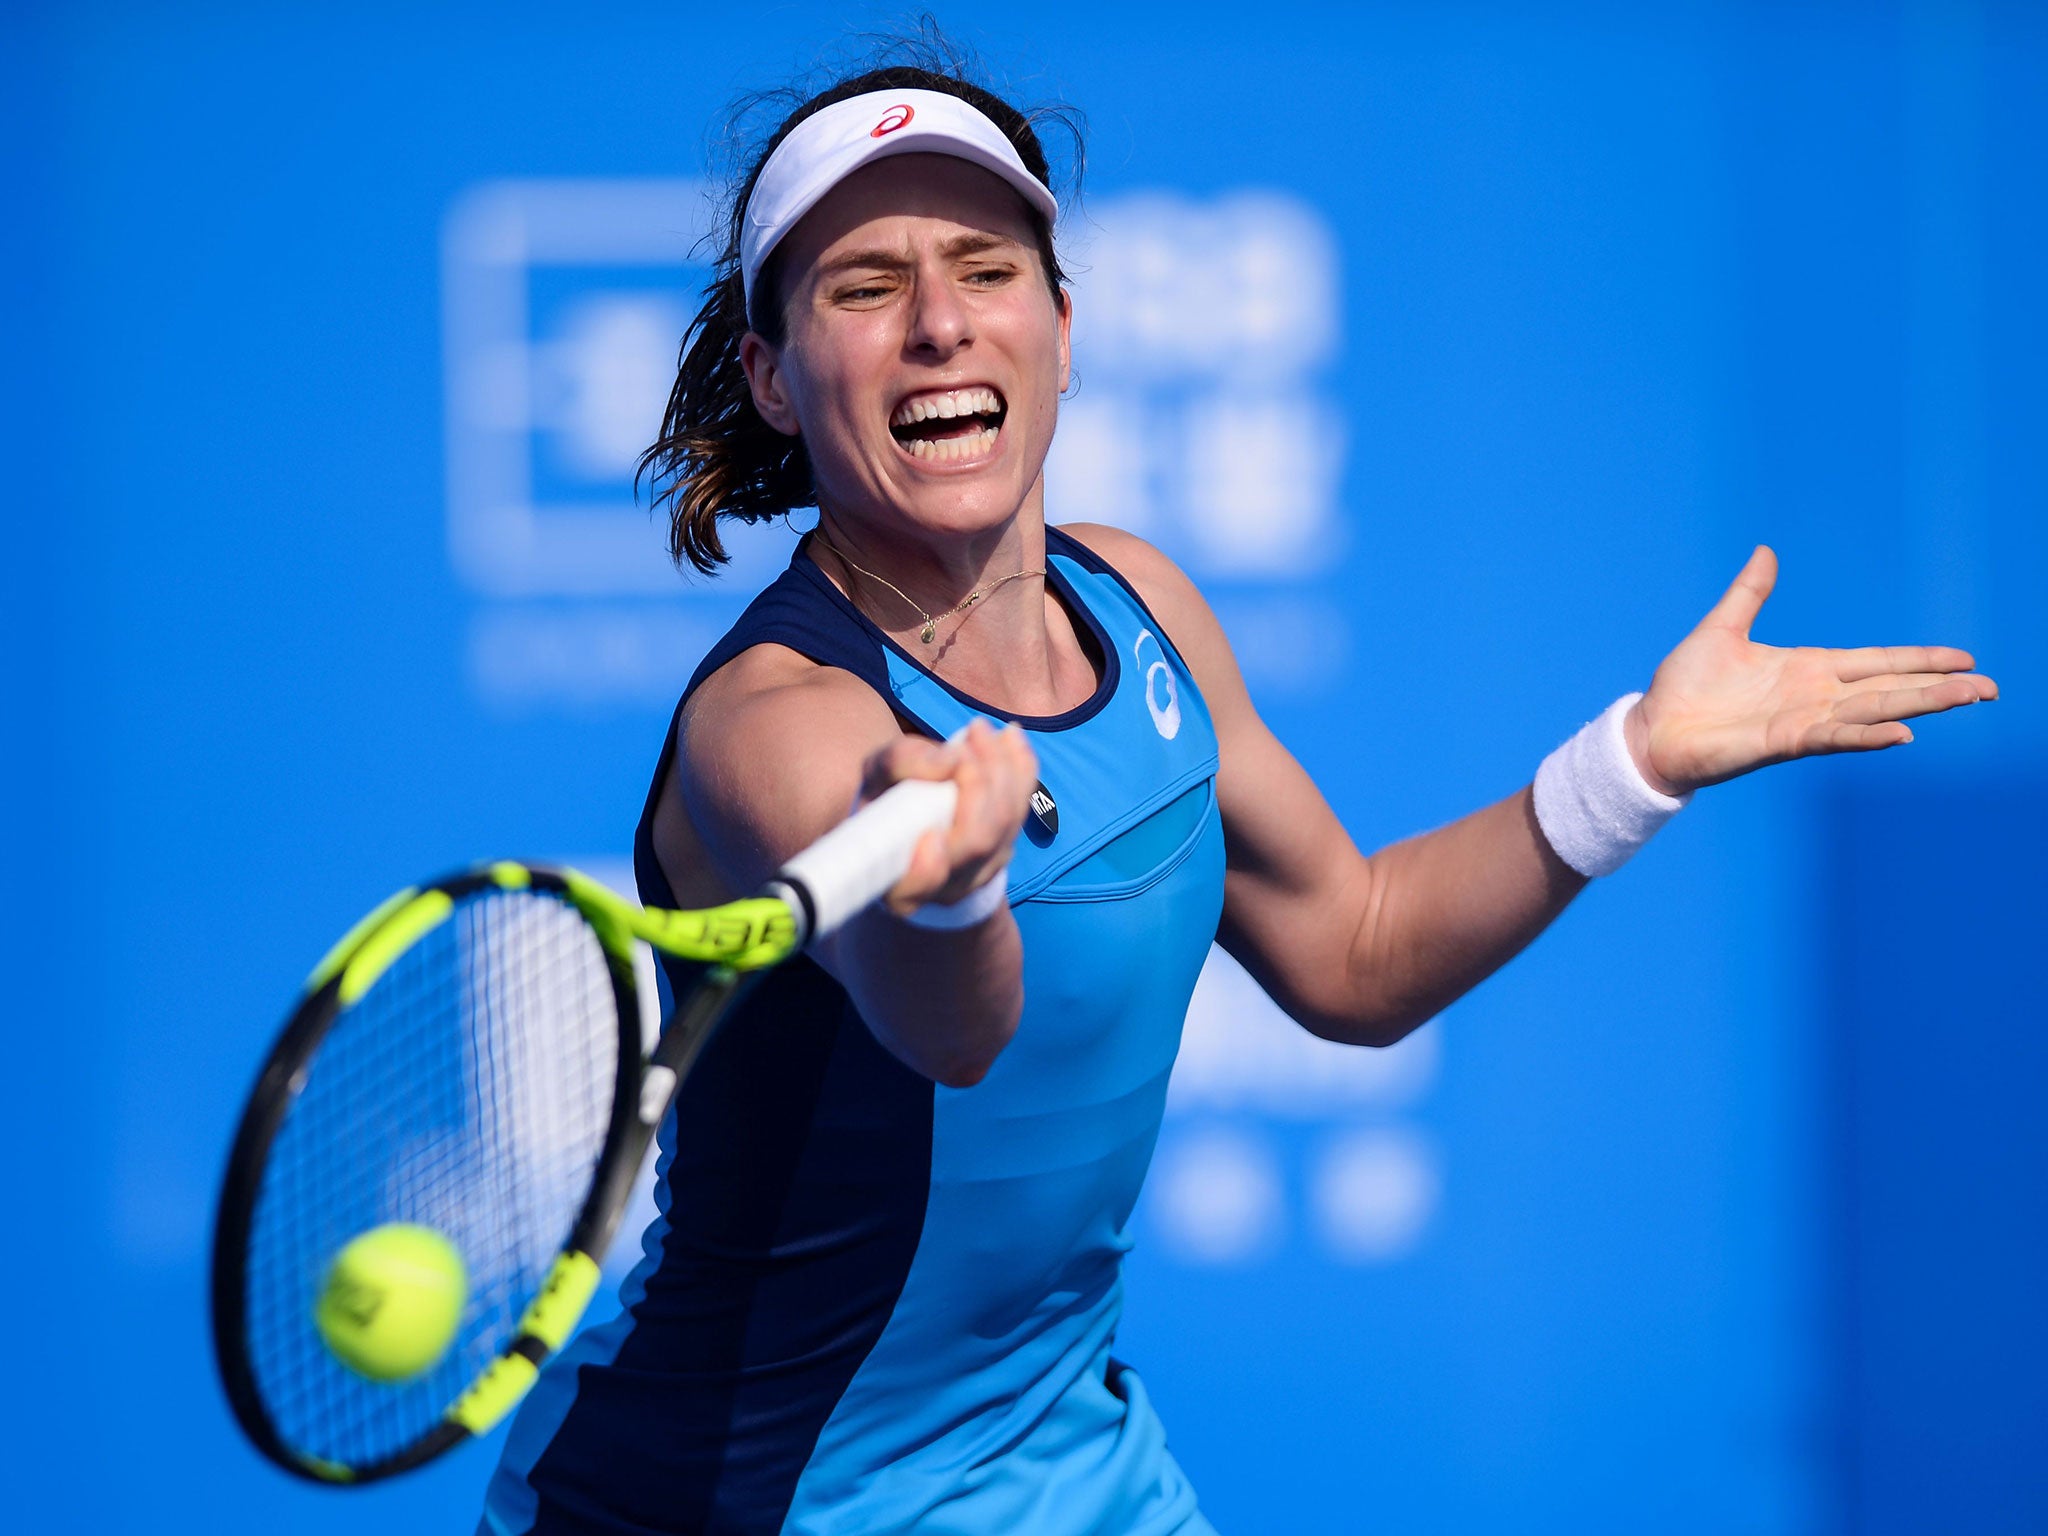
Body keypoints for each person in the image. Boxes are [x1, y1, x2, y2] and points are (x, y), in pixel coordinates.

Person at [478, 57, 1996, 1536]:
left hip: (1067, 1467)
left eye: (984, 268)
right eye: (863, 289)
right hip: (740, 1498)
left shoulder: (1142, 603)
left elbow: (1356, 949)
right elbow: (949, 1025)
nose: (938, 324)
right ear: (775, 379)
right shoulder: (778, 722)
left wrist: (1636, 763)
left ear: (1062, 329)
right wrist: (948, 877)